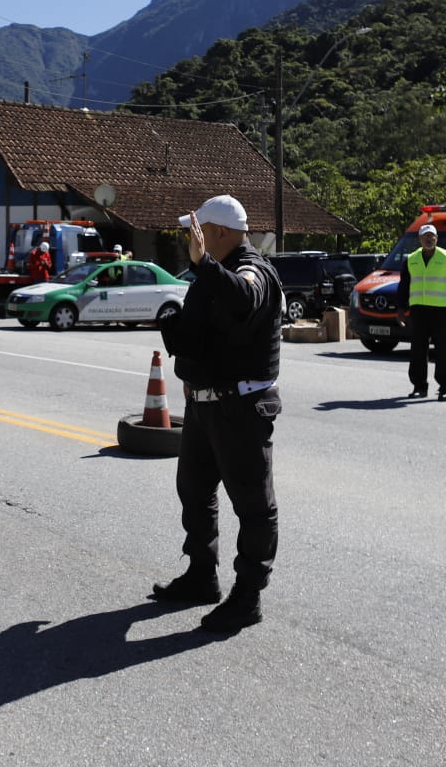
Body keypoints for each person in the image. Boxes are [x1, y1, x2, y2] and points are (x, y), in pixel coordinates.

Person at [153, 194, 283, 634]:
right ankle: (201, 575)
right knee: (193, 490)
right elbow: (204, 332)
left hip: (241, 408)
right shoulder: (210, 275)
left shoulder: (254, 270)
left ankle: (247, 596)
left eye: (199, 232)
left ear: (221, 233)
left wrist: (204, 266)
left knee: (252, 505)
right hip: (204, 405)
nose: (192, 240)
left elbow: (244, 299)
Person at [397, 222, 446, 401]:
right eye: (425, 236)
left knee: (444, 350)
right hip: (418, 310)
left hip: (440, 310)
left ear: (437, 238)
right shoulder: (411, 259)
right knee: (418, 349)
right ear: (419, 239)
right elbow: (404, 286)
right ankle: (419, 386)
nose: (429, 239)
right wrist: (401, 309)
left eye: (432, 236)